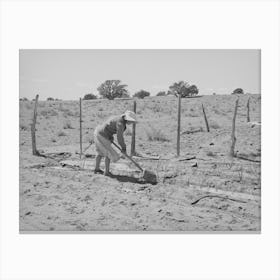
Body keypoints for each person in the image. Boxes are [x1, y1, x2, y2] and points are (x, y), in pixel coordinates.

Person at [93, 110, 137, 176]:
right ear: (127, 119)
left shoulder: (118, 118)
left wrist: (110, 137)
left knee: (100, 152)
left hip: (99, 132)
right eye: (131, 121)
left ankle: (96, 169)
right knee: (108, 153)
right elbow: (120, 137)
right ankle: (107, 172)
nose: (132, 122)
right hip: (102, 135)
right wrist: (123, 147)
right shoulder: (120, 123)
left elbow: (108, 126)